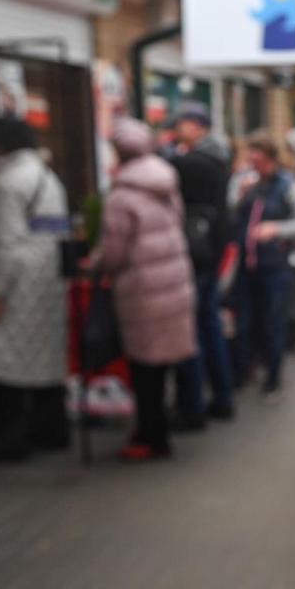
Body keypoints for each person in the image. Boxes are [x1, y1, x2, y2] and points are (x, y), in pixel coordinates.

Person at [0, 116, 69, 461]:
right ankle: (53, 430)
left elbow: (6, 245)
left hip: (17, 281)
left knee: (6, 364)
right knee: (46, 359)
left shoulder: (6, 182)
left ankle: (12, 440)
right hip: (49, 274)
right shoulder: (47, 176)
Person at [97, 119, 196, 461]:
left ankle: (153, 437)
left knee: (144, 369)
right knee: (163, 365)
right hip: (174, 282)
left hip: (142, 291)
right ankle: (160, 427)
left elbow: (114, 251)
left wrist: (96, 265)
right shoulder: (166, 180)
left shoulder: (121, 194)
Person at [166, 102, 236, 426]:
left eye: (180, 124)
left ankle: (192, 404)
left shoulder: (191, 163)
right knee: (210, 326)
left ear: (195, 126)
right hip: (211, 250)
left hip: (194, 254)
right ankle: (222, 396)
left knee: (191, 330)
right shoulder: (221, 159)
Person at [229, 131, 295, 401]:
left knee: (273, 321)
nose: (255, 167)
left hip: (275, 264)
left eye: (260, 161)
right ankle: (244, 370)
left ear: (272, 160)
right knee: (245, 320)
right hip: (245, 265)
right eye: (251, 161)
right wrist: (239, 195)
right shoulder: (243, 181)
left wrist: (277, 229)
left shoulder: (289, 185)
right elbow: (231, 211)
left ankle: (273, 376)